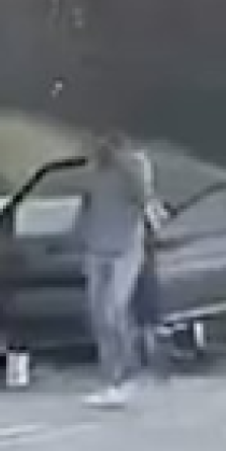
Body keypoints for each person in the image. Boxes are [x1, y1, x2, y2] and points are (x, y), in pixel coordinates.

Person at [76, 131, 152, 409]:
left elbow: (143, 197)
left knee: (115, 310)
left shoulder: (136, 164)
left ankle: (127, 374)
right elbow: (87, 203)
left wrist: (124, 163)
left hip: (125, 248)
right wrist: (82, 236)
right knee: (98, 316)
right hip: (97, 247)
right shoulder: (95, 169)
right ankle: (109, 378)